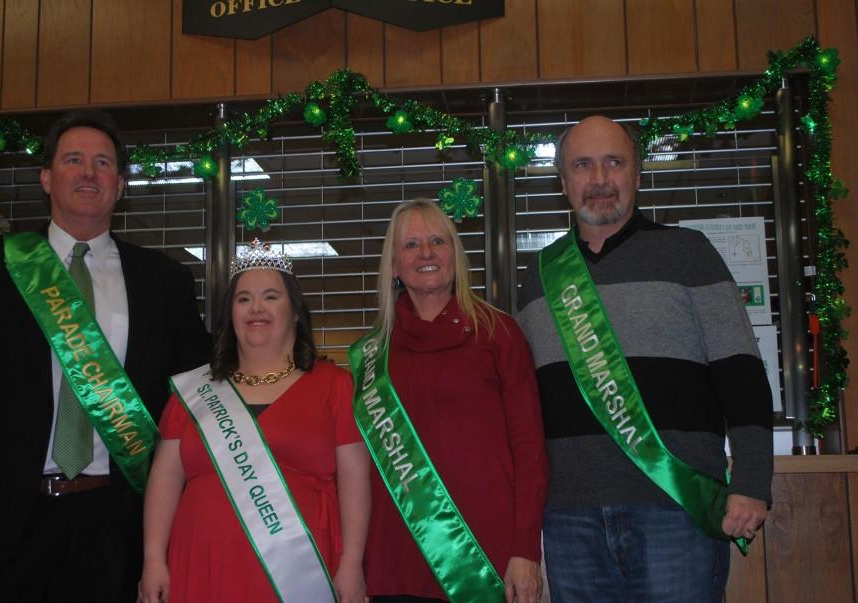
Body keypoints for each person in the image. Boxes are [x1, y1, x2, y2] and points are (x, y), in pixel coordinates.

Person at [516, 115, 773, 602]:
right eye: (583, 165)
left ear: (636, 174)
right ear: (564, 182)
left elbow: (741, 374)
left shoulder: (688, 253)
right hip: (570, 517)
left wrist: (753, 481)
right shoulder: (540, 275)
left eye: (614, 162)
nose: (599, 180)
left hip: (675, 506)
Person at [0, 110, 211, 602]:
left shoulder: (164, 282)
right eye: (73, 160)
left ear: (119, 185)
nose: (89, 172)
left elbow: (196, 397)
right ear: (47, 178)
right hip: (0, 526)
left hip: (116, 527)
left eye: (103, 163)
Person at [141, 240, 370, 603]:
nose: (256, 308)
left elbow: (356, 482)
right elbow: (165, 479)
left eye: (271, 297)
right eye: (243, 299)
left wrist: (353, 564)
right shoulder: (195, 390)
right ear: (230, 313)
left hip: (296, 572)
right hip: (202, 564)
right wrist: (153, 559)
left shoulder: (333, 385)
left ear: (295, 311)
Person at [351, 199, 548, 603]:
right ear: (393, 266)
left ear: (454, 256)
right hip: (393, 564)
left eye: (438, 241)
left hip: (482, 560)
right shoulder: (372, 355)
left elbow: (530, 450)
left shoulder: (498, 333)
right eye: (411, 245)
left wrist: (525, 550)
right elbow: (358, 471)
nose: (426, 253)